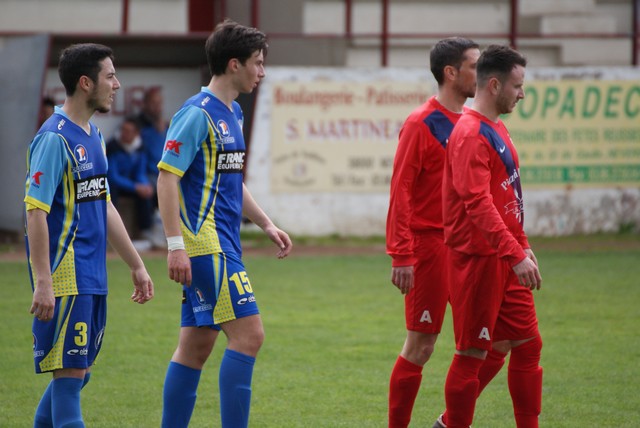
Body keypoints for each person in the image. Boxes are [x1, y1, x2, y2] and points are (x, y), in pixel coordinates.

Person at [156, 19, 292, 428]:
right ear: (234, 64)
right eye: (257, 62)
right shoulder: (196, 114)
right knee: (250, 336)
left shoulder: (232, 111)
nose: (261, 71)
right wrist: (175, 245)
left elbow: (229, 180)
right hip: (206, 244)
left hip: (224, 242)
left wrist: (265, 223)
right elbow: (166, 177)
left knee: (196, 346)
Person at [25, 43, 154, 427]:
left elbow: (105, 205)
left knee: (77, 375)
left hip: (92, 276)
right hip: (67, 277)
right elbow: (35, 211)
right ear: (85, 83)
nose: (117, 84)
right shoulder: (54, 139)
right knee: (69, 381)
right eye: (110, 76)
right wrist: (44, 281)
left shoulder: (94, 136)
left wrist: (136, 264)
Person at [438, 44, 543, 428]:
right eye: (517, 85)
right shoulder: (469, 134)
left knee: (528, 345)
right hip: (478, 260)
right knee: (471, 353)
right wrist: (514, 253)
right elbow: (478, 204)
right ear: (495, 85)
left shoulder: (495, 126)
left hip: (506, 255)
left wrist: (522, 245)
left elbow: (507, 195)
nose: (522, 94)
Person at [386, 37, 480, 428]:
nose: (481, 73)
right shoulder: (421, 123)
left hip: (471, 250)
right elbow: (401, 191)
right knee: (422, 345)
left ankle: (448, 422)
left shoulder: (475, 123)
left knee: (491, 341)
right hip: (430, 248)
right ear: (451, 72)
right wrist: (401, 254)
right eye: (474, 66)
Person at [106, 116, 155, 242]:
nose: (124, 133)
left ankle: (145, 231)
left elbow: (140, 172)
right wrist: (135, 187)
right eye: (123, 130)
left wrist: (144, 185)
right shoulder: (112, 147)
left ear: (136, 133)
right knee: (111, 192)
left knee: (146, 193)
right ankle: (112, 231)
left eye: (128, 131)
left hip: (131, 184)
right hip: (116, 185)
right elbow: (112, 176)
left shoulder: (141, 148)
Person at [137, 86, 168, 186]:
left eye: (159, 103)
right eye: (153, 103)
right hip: (147, 176)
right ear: (145, 104)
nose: (157, 107)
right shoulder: (136, 124)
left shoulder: (167, 126)